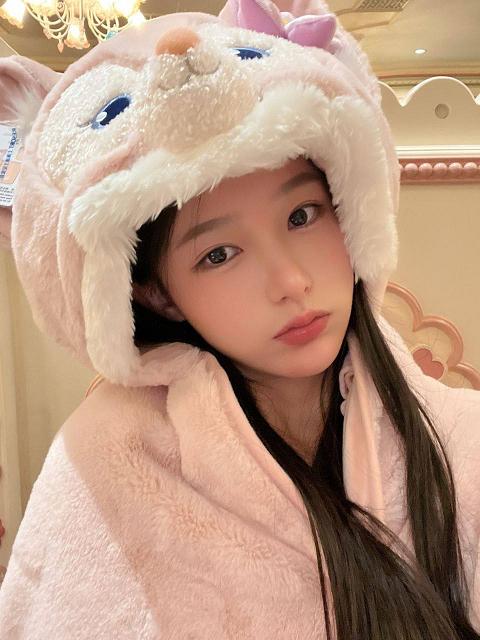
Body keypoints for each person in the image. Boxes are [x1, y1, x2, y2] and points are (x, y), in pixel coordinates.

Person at [0, 0, 479, 638]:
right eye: (219, 254)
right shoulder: (102, 472)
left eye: (302, 216)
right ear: (158, 295)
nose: (291, 282)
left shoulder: (459, 437)